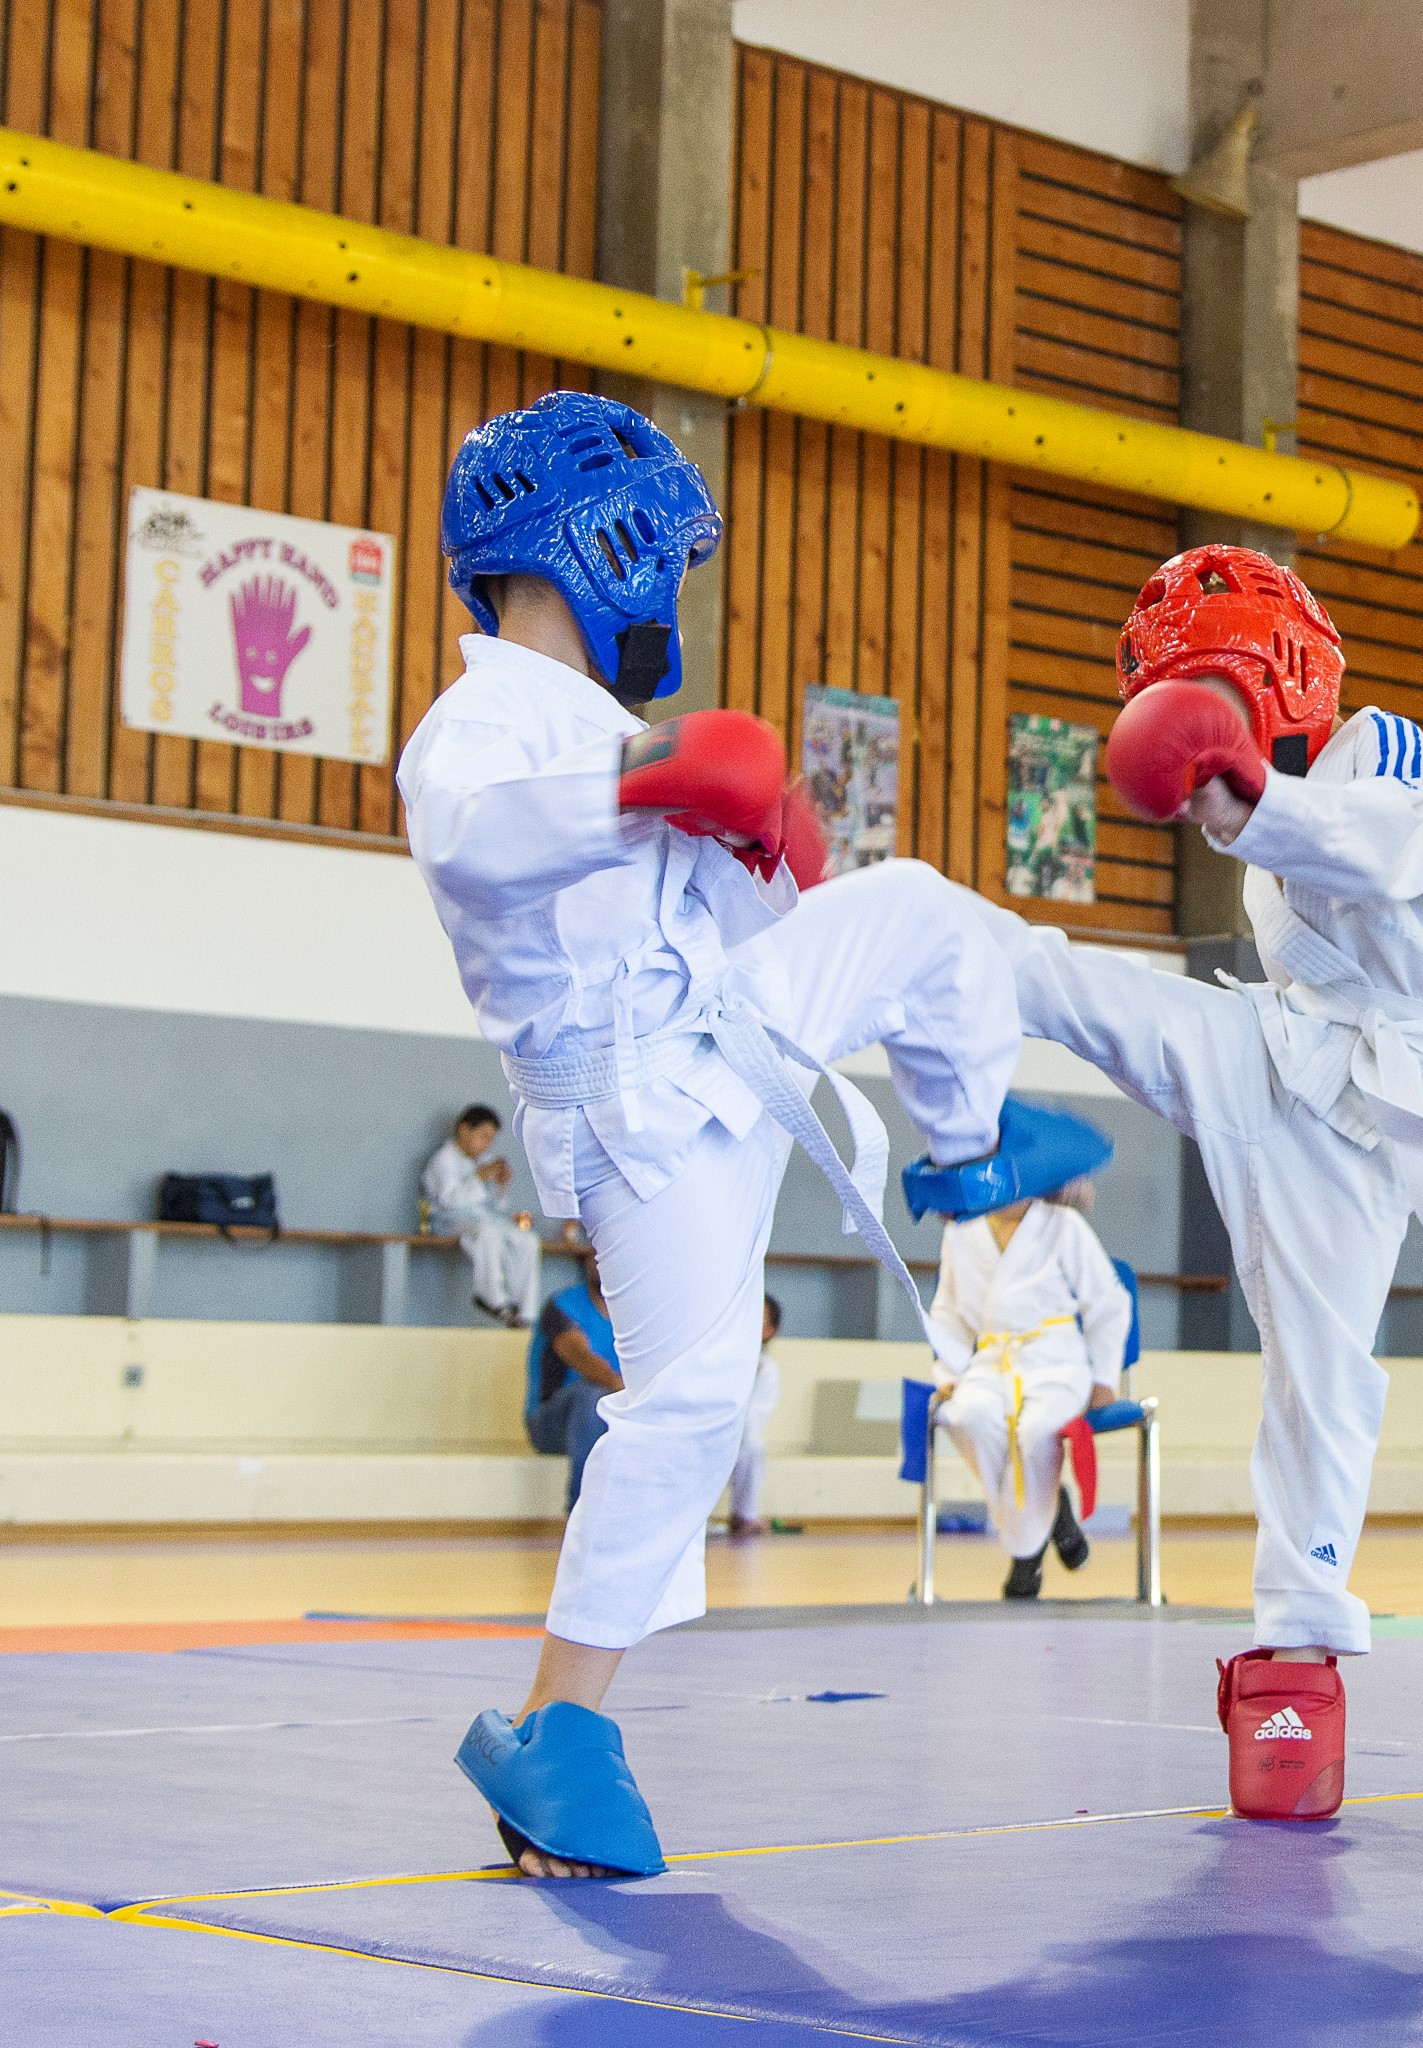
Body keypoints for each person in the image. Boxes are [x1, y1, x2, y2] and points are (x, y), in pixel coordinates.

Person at [401, 390, 1039, 1882]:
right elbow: (474, 849)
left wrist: (766, 845)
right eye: (662, 559)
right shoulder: (482, 725)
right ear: (592, 546)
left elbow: (748, 919)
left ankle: (973, 1164)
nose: (673, 596)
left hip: (733, 1032)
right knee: (693, 1402)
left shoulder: (621, 733)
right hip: (632, 1109)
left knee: (921, 911)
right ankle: (558, 1727)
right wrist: (653, 781)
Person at [964, 544, 1423, 1823]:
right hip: (1277, 1051)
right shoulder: (1256, 841)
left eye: (1211, 696)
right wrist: (1241, 800)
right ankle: (885, 939)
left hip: (1369, 1111)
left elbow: (1376, 850)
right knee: (1069, 985)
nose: (1200, 734)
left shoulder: (1380, 750)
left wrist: (1244, 793)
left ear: (1277, 676)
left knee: (1318, 1381)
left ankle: (1294, 1669)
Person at [928, 1114, 1132, 1599]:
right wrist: (948, 1371)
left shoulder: (1063, 1226)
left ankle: (1024, 1559)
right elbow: (948, 1312)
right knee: (965, 1417)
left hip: (1056, 1359)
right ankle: (1051, 1511)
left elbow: (1109, 1302)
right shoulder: (960, 1232)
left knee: (1037, 1431)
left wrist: (1105, 1379)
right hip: (990, 1362)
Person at [422, 1105, 541, 1327]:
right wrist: (477, 1177)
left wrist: (500, 1185)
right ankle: (493, 1298)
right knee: (487, 1232)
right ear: (464, 1129)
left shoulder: (482, 1161)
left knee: (526, 1239)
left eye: (491, 1139)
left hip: (482, 1219)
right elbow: (448, 1201)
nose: (487, 1144)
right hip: (449, 1220)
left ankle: (524, 1310)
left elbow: (495, 1207)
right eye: (483, 1136)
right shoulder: (443, 1160)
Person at [526, 1248, 622, 1510]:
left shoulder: (635, 1313)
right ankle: (582, 1511)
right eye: (595, 1254)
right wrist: (630, 1392)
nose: (602, 1261)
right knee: (592, 1395)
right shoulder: (563, 1306)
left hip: (616, 1416)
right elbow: (584, 1361)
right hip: (550, 1423)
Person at [725, 1294, 784, 1538]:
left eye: (759, 1317)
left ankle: (744, 1514)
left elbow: (752, 1420)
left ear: (770, 1330)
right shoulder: (720, 1356)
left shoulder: (767, 1371)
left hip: (736, 1437)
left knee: (754, 1446)